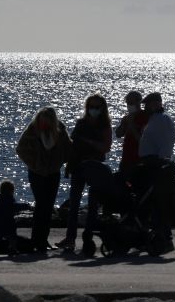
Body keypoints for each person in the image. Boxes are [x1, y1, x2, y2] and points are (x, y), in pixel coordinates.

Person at [58, 94, 112, 254]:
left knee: (93, 204)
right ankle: (70, 238)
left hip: (94, 167)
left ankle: (88, 238)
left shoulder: (105, 126)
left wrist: (88, 142)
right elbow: (73, 143)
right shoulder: (81, 123)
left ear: (102, 109)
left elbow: (105, 147)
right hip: (78, 166)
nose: (93, 110)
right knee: (74, 203)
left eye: (96, 107)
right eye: (91, 107)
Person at [15, 106, 72, 252]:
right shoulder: (32, 131)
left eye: (47, 121)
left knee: (48, 207)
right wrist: (34, 164)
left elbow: (69, 149)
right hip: (37, 173)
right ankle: (36, 239)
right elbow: (21, 149)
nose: (44, 124)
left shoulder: (60, 132)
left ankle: (43, 239)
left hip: (53, 173)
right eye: (42, 120)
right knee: (41, 205)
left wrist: (60, 161)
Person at [137, 92, 175, 254]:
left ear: (155, 104)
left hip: (157, 164)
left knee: (159, 202)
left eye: (147, 105)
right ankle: (157, 235)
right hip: (151, 164)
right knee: (154, 201)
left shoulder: (162, 120)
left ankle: (164, 237)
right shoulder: (155, 120)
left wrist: (162, 161)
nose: (145, 108)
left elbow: (169, 141)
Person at [0, 180, 34, 255]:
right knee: (12, 239)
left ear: (0, 190)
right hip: (9, 224)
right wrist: (27, 206)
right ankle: (12, 249)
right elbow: (17, 207)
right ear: (12, 191)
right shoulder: (10, 202)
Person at [115, 90, 148, 173]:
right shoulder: (127, 118)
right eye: (128, 102)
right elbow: (118, 134)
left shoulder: (145, 117)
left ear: (139, 102)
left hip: (139, 159)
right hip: (126, 158)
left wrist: (132, 125)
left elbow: (142, 141)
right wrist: (124, 124)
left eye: (131, 102)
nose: (129, 105)